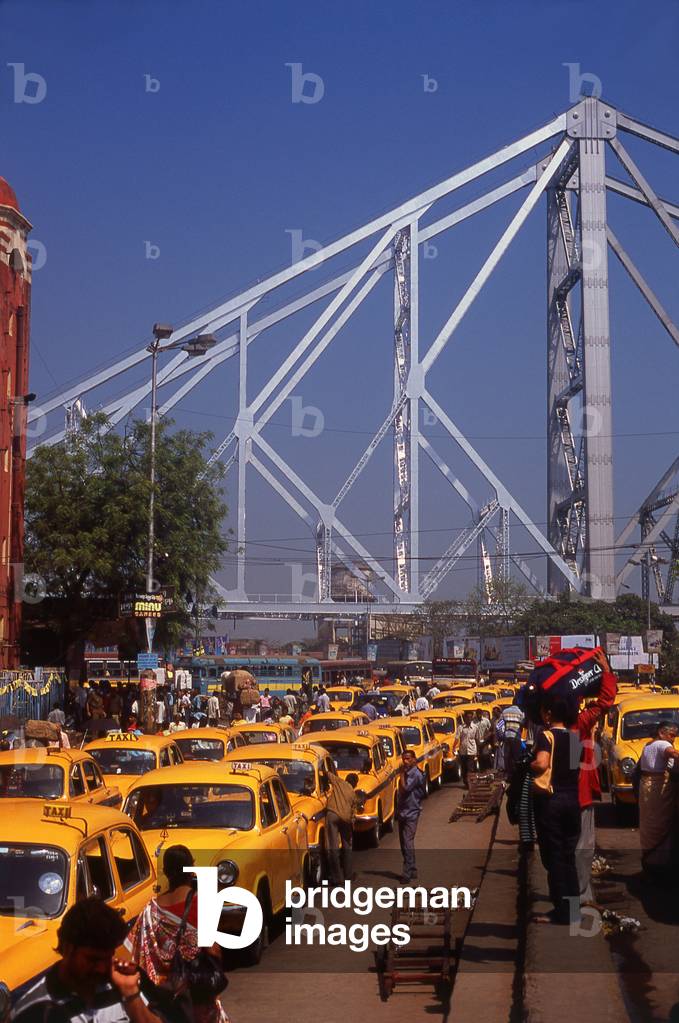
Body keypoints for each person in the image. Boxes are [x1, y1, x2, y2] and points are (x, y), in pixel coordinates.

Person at [12, 896, 168, 1023]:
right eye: (92, 959)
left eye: (107, 958)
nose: (101, 968)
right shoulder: (31, 1013)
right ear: (67, 948)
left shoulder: (122, 983)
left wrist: (130, 995)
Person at [126, 845, 227, 1023]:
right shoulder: (202, 902)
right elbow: (212, 950)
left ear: (165, 872)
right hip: (196, 996)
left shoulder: (151, 909)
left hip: (163, 997)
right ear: (191, 869)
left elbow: (136, 951)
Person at [531, 692, 582, 926]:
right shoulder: (575, 739)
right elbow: (574, 770)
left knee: (554, 858)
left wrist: (526, 765)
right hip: (572, 801)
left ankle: (562, 912)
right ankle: (572, 911)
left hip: (552, 803)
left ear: (549, 714)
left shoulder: (546, 736)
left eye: (543, 710)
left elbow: (542, 764)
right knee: (569, 857)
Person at [575, 670, 617, 903]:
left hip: (556, 797)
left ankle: (569, 904)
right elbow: (605, 701)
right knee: (582, 848)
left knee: (565, 850)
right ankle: (578, 901)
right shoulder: (579, 723)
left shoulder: (546, 730)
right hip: (579, 794)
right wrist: (607, 673)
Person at [638, 720, 679, 876]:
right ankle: (660, 866)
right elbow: (673, 753)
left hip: (646, 789)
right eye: (671, 735)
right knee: (660, 825)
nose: (673, 740)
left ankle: (650, 864)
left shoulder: (647, 746)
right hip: (657, 790)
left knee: (649, 826)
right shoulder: (662, 744)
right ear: (662, 733)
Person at [396, 750, 427, 883]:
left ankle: (407, 873)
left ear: (414, 759)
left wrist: (401, 774)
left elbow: (405, 789)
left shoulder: (415, 774)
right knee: (404, 843)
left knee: (407, 842)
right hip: (403, 811)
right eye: (404, 759)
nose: (405, 761)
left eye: (408, 759)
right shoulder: (409, 773)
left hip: (412, 812)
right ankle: (412, 869)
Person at [325, 773, 359, 885]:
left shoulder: (339, 782)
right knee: (347, 846)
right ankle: (348, 875)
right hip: (346, 819)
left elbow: (327, 774)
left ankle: (337, 879)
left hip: (333, 815)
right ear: (355, 784)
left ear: (346, 779)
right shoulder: (353, 794)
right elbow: (354, 813)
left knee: (332, 847)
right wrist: (352, 826)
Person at [454, 711, 480, 788]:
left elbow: (477, 739)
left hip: (472, 751)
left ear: (472, 718)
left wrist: (478, 751)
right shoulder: (460, 727)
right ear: (465, 718)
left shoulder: (475, 727)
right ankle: (466, 781)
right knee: (464, 768)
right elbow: (457, 738)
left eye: (470, 717)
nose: (469, 719)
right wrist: (454, 747)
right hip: (463, 751)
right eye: (467, 717)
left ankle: (470, 783)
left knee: (470, 768)